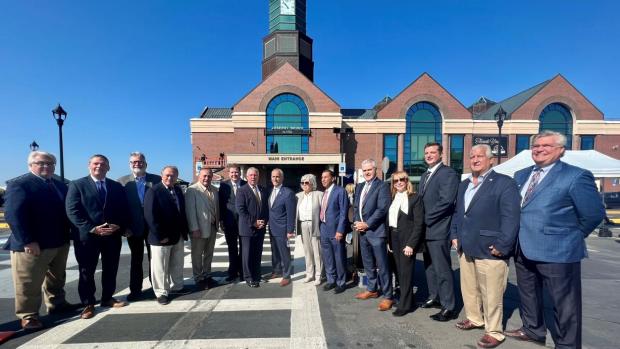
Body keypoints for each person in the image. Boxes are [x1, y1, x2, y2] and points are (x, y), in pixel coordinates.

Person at [505, 131, 605, 348]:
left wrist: (572, 236)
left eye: (546, 146)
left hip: (559, 250)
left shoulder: (576, 175)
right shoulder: (521, 174)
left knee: (565, 303)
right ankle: (533, 330)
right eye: (536, 146)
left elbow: (593, 214)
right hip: (523, 247)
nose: (539, 149)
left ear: (561, 150)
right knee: (528, 293)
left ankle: (567, 344)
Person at [450, 145, 521, 348]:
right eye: (472, 156)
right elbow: (458, 213)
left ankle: (494, 331)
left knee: (492, 293)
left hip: (490, 248)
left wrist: (503, 245)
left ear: (491, 160)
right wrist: (454, 234)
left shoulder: (504, 183)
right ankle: (474, 318)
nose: (475, 159)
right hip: (465, 246)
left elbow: (511, 218)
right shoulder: (464, 184)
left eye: (480, 156)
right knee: (469, 288)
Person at [4, 151, 78, 330]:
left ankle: (57, 304)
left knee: (56, 277)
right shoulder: (19, 184)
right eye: (41, 163)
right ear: (31, 165)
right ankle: (28, 315)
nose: (46, 166)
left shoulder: (60, 186)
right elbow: (14, 215)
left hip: (59, 241)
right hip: (32, 245)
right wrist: (28, 241)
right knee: (28, 282)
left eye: (50, 163)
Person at [66, 154, 129, 319]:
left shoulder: (116, 186)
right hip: (88, 237)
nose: (99, 166)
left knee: (111, 268)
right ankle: (88, 303)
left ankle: (107, 298)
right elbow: (72, 211)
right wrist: (92, 229)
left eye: (103, 164)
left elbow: (124, 209)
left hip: (111, 236)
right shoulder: (77, 185)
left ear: (108, 167)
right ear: (89, 165)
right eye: (95, 163)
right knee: (87, 271)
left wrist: (119, 225)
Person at [418, 142, 459, 322]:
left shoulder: (447, 173)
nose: (429, 155)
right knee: (429, 267)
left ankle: (448, 306)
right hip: (425, 231)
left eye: (433, 152)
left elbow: (446, 201)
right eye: (426, 152)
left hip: (438, 229)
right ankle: (434, 297)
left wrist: (424, 219)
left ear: (441, 154)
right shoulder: (424, 175)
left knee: (442, 270)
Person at [117, 152, 161, 301]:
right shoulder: (122, 182)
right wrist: (124, 227)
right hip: (132, 228)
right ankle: (135, 290)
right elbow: (120, 208)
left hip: (153, 228)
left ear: (146, 164)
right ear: (130, 164)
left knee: (155, 259)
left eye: (140, 162)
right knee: (136, 259)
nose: (137, 164)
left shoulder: (156, 180)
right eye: (134, 162)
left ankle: (156, 287)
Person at [144, 166, 189, 305]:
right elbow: (150, 216)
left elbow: (181, 212)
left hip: (177, 235)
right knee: (160, 267)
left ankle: (177, 286)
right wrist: (160, 235)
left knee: (177, 263)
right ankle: (161, 292)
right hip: (161, 237)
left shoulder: (178, 190)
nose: (170, 178)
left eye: (173, 176)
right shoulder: (153, 191)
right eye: (167, 175)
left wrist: (184, 232)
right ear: (161, 175)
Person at [353, 159, 393, 311]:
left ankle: (388, 296)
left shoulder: (382, 186)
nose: (367, 172)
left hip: (376, 232)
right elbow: (356, 206)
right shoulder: (360, 186)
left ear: (375, 170)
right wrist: (357, 222)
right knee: (368, 263)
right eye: (364, 170)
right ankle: (372, 289)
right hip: (362, 232)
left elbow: (382, 209)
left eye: (370, 169)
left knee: (382, 266)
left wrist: (367, 224)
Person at [387, 170, 424, 317]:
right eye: (395, 181)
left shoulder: (415, 198)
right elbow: (390, 221)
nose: (399, 182)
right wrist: (389, 241)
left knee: (405, 273)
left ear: (407, 180)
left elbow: (419, 224)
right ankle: (408, 300)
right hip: (394, 239)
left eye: (401, 179)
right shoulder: (393, 197)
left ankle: (405, 305)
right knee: (398, 271)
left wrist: (411, 244)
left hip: (407, 240)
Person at [185, 168, 220, 290]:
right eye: (204, 176)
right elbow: (190, 211)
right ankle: (198, 278)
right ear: (199, 176)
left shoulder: (215, 190)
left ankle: (207, 275)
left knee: (209, 254)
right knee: (197, 254)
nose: (207, 178)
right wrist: (194, 228)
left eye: (209, 176)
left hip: (212, 227)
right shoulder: (192, 190)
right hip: (198, 228)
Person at [235, 167, 269, 288]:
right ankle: (248, 277)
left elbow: (265, 208)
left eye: (255, 175)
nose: (253, 177)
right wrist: (254, 222)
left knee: (257, 253)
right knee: (247, 254)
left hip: (260, 228)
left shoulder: (263, 190)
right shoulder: (241, 190)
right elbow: (241, 210)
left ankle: (257, 275)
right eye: (251, 175)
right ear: (246, 176)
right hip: (247, 228)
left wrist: (264, 221)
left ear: (258, 176)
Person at [319, 170, 349, 294]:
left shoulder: (340, 191)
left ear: (333, 178)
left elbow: (343, 213)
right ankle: (331, 280)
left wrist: (340, 230)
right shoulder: (324, 193)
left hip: (336, 230)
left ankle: (341, 282)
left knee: (339, 257)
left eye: (326, 177)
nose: (323, 179)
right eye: (322, 177)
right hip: (324, 228)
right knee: (328, 257)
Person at [267, 168, 296, 286]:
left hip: (283, 228)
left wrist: (290, 230)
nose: (275, 179)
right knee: (275, 252)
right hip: (272, 227)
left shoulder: (288, 193)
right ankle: (277, 270)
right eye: (273, 176)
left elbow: (291, 213)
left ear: (282, 178)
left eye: (277, 176)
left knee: (284, 253)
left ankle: (286, 275)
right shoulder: (269, 191)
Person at [218, 164, 247, 281]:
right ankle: (233, 271)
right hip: (229, 222)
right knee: (232, 248)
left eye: (236, 172)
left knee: (244, 247)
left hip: (244, 222)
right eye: (232, 173)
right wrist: (221, 220)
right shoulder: (224, 185)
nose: (234, 174)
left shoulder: (246, 184)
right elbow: (220, 204)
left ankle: (243, 270)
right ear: (229, 174)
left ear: (240, 173)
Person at [296, 174, 324, 286]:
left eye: (306, 182)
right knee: (307, 251)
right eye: (302, 183)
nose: (304, 185)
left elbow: (324, 211)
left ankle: (319, 275)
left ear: (312, 183)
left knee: (317, 251)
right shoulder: (298, 196)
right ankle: (309, 274)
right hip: (303, 224)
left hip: (314, 224)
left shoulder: (319, 194)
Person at [345, 183, 363, 282]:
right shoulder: (350, 196)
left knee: (356, 249)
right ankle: (354, 269)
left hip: (354, 222)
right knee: (354, 248)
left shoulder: (354, 197)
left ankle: (355, 269)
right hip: (352, 223)